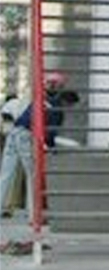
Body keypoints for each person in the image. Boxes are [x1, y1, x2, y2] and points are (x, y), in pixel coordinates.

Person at [0, 73, 79, 223]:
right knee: (33, 176)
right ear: (67, 102)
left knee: (5, 174)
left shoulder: (41, 98)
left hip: (14, 133)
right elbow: (49, 134)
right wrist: (52, 150)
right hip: (25, 136)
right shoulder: (57, 110)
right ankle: (34, 216)